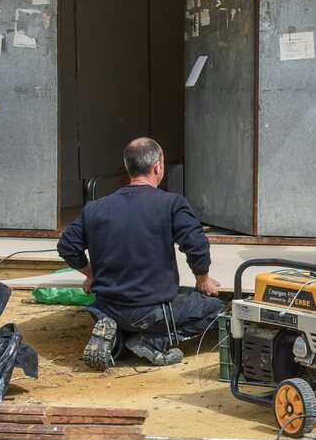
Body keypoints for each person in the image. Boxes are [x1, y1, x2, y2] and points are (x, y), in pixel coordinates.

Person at [58, 137, 223, 370]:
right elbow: (196, 243)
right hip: (151, 311)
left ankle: (118, 339)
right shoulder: (171, 203)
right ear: (158, 166)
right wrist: (202, 278)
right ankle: (153, 340)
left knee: (166, 301)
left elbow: (67, 245)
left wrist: (90, 274)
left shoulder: (95, 208)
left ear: (127, 167)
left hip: (106, 307)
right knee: (215, 308)